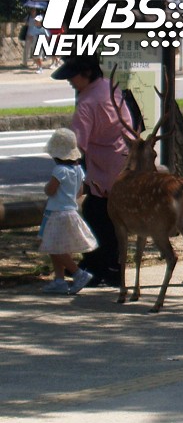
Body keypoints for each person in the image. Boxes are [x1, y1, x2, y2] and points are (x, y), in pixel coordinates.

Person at [51, 55, 135, 288]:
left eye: (72, 76)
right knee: (110, 218)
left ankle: (98, 267)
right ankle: (113, 267)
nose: (69, 81)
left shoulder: (87, 103)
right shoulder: (110, 88)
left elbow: (77, 146)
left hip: (103, 169)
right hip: (123, 162)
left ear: (86, 73)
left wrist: (68, 176)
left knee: (95, 216)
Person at [38, 128, 97, 295]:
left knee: (54, 247)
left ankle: (78, 273)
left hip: (57, 213)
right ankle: (59, 279)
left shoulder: (59, 171)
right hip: (70, 211)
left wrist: (47, 188)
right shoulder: (78, 170)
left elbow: (50, 190)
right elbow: (79, 192)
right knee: (57, 246)